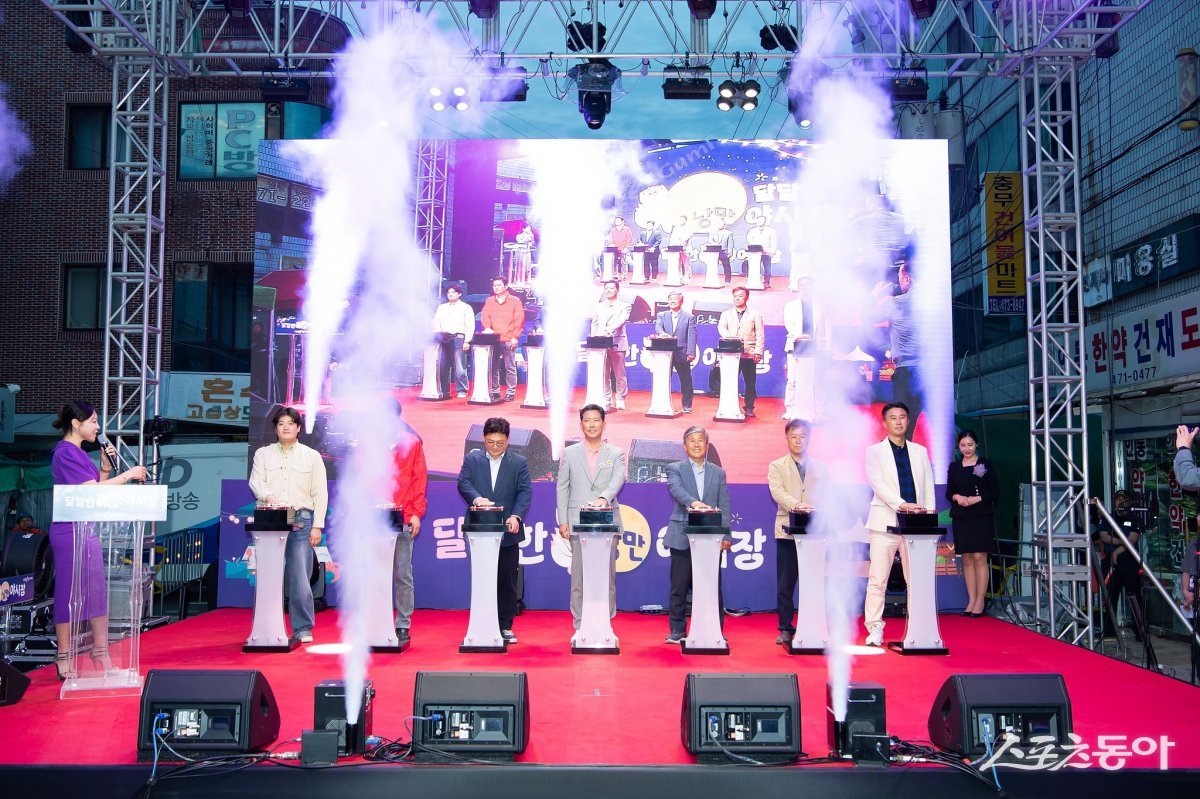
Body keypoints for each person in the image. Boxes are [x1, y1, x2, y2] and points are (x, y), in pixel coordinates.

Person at [48, 401, 147, 679]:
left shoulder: (79, 453)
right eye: (93, 421)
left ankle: (101, 651)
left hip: (86, 530)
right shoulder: (65, 452)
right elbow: (90, 492)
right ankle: (63, 655)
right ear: (75, 424)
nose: (97, 427)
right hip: (69, 532)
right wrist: (127, 475)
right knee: (68, 592)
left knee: (96, 592)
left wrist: (105, 468)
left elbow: (92, 492)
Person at [249, 406, 329, 645]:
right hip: (270, 518)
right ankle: (265, 627)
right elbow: (256, 481)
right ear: (275, 428)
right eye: (281, 423)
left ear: (298, 428)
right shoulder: (263, 454)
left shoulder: (311, 456)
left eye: (290, 423)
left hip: (301, 519)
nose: (286, 427)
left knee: (299, 576)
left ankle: (302, 628)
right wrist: (269, 497)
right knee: (268, 575)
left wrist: (317, 525)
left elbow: (320, 493)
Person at [862, 401, 936, 646]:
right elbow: (878, 484)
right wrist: (903, 505)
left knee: (915, 580)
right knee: (877, 579)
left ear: (908, 420)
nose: (898, 421)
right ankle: (875, 628)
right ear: (885, 423)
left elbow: (928, 486)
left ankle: (918, 627)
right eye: (893, 418)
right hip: (884, 523)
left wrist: (928, 514)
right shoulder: (874, 451)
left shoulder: (920, 451)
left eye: (902, 417)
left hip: (916, 526)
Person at [457, 417, 532, 642]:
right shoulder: (472, 459)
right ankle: (481, 623)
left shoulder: (518, 462)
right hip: (480, 530)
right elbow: (463, 483)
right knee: (483, 578)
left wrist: (516, 516)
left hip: (507, 531)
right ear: (484, 439)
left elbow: (524, 492)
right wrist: (477, 499)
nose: (495, 447)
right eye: (490, 442)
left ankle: (505, 625)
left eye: (500, 443)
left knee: (506, 579)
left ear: (508, 440)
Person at [556, 404, 626, 630]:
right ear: (581, 425)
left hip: (607, 522)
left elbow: (618, 478)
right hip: (577, 523)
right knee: (579, 577)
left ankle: (605, 624)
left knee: (607, 577)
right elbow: (562, 488)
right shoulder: (570, 453)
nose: (592, 424)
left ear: (604, 424)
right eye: (587, 420)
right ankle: (579, 625)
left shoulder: (616, 453)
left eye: (596, 420)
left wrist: (604, 499)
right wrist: (563, 521)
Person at [664, 426, 732, 643]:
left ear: (707, 445)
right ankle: (677, 630)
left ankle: (715, 630)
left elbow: (724, 505)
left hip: (711, 537)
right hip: (682, 534)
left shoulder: (718, 472)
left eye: (700, 440)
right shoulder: (675, 468)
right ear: (685, 446)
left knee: (712, 587)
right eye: (691, 441)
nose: (696, 444)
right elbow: (676, 490)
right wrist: (694, 503)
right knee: (679, 586)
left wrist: (726, 536)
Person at [766, 419, 825, 644]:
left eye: (802, 436)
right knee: (786, 583)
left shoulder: (821, 467)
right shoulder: (777, 466)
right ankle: (785, 627)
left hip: (815, 532)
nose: (798, 440)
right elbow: (777, 492)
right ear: (787, 439)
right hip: (787, 532)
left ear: (809, 439)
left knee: (813, 581)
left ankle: (814, 625)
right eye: (793, 436)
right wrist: (799, 505)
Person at [945, 429, 999, 617]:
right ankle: (971, 600)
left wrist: (976, 499)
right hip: (962, 516)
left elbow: (995, 492)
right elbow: (949, 491)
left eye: (970, 445)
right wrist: (957, 497)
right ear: (958, 446)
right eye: (963, 445)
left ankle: (980, 601)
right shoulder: (954, 467)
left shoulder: (985, 464)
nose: (966, 449)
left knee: (979, 557)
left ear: (977, 444)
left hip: (981, 515)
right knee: (967, 558)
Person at [389, 402, 427, 644]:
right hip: (374, 521)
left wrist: (416, 513)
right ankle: (375, 620)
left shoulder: (412, 443)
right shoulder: (367, 445)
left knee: (403, 574)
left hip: (402, 518)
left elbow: (419, 479)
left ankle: (403, 623)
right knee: (374, 574)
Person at [876, 259, 923, 439]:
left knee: (900, 425)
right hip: (931, 373)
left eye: (900, 278)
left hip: (906, 371)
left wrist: (876, 295)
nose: (899, 283)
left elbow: (866, 318)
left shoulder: (896, 303)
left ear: (908, 279)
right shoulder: (935, 303)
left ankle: (897, 453)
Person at [1095, 490, 1144, 639]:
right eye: (1117, 499)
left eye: (1123, 499)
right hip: (1111, 563)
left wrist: (1118, 549)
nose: (1120, 502)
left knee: (1134, 597)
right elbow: (1103, 536)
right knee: (1110, 595)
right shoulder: (1108, 518)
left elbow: (1133, 539)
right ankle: (1109, 629)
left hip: (1129, 562)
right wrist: (1122, 541)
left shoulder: (1134, 518)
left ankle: (1140, 631)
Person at [781, 277, 828, 422]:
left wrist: (826, 347)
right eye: (802, 285)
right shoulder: (790, 306)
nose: (805, 288)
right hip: (796, 346)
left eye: (808, 285)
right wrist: (800, 336)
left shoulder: (820, 306)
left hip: (815, 348)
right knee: (792, 380)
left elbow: (825, 328)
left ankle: (818, 411)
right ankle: (790, 410)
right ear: (798, 287)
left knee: (816, 381)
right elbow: (789, 324)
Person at [717, 287, 765, 418]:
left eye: (741, 296)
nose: (737, 298)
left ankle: (749, 407)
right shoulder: (726, 314)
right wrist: (730, 337)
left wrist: (758, 352)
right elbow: (721, 327)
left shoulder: (755, 314)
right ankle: (728, 406)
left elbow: (760, 334)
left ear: (747, 298)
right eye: (735, 296)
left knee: (750, 382)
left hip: (749, 353)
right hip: (731, 354)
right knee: (729, 381)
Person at [481, 276, 525, 403]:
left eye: (499, 285)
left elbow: (519, 319)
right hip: (493, 339)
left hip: (509, 338)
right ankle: (495, 391)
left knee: (509, 367)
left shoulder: (515, 301)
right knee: (493, 367)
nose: (496, 287)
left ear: (505, 286)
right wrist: (487, 328)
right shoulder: (490, 301)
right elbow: (485, 316)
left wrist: (515, 337)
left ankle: (510, 392)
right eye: (494, 285)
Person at [591, 280, 632, 410]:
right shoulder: (598, 306)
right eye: (606, 288)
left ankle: (620, 398)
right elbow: (594, 323)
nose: (608, 290)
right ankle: (606, 398)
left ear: (617, 290)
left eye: (611, 288)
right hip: (601, 344)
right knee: (604, 374)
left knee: (620, 374)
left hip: (617, 342)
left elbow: (622, 320)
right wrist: (594, 338)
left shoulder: (625, 306)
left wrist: (608, 330)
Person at [654, 291, 697, 413]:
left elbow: (692, 336)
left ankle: (687, 405)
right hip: (665, 352)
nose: (672, 301)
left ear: (681, 302)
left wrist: (691, 352)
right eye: (670, 299)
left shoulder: (689, 317)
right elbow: (658, 327)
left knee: (686, 379)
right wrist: (663, 334)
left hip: (681, 353)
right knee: (664, 379)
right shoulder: (662, 315)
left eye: (675, 299)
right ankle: (662, 403)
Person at [431, 283, 475, 399]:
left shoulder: (465, 307)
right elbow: (436, 321)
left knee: (459, 366)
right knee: (442, 366)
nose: (450, 294)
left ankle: (462, 389)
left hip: (458, 337)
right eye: (449, 292)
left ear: (459, 294)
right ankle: (444, 390)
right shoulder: (442, 307)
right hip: (443, 337)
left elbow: (470, 325)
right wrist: (438, 332)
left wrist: (467, 341)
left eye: (453, 292)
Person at [745, 216, 779, 288]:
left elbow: (773, 242)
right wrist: (758, 246)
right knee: (754, 269)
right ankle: (754, 282)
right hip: (755, 253)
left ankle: (767, 282)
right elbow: (749, 240)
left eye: (761, 220)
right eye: (758, 220)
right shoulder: (752, 231)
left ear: (765, 221)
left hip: (766, 253)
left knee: (767, 269)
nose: (760, 222)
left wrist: (772, 251)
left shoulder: (771, 231)